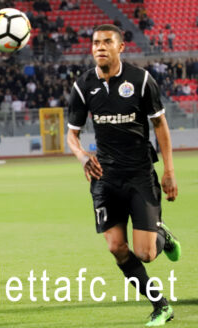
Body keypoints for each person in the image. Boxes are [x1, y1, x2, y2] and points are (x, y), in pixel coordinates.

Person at [67, 24, 181, 327]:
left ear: (121, 48)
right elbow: (72, 135)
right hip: (104, 176)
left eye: (107, 42)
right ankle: (161, 306)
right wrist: (81, 157)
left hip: (139, 174)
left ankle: (162, 235)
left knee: (145, 253)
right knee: (116, 247)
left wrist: (168, 171)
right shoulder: (82, 85)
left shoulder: (141, 80)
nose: (100, 47)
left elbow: (160, 127)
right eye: (95, 43)